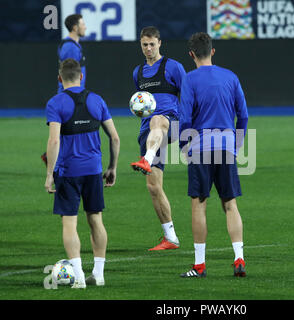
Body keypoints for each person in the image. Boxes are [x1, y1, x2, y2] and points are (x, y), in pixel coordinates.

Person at [44, 58, 120, 288]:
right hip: (93, 170)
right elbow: (115, 138)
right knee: (95, 219)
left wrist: (49, 173)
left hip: (68, 172)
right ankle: (98, 274)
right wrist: (112, 167)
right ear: (81, 76)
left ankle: (78, 277)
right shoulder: (97, 100)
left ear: (59, 78)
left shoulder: (55, 103)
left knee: (70, 223)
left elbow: (54, 139)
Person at [178, 32, 248, 277]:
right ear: (213, 51)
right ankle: (239, 258)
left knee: (199, 204)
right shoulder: (231, 76)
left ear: (191, 55)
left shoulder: (190, 79)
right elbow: (244, 115)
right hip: (227, 146)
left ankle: (200, 265)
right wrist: (236, 145)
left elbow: (185, 118)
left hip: (200, 146)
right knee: (230, 204)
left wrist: (184, 148)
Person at [130, 26, 186, 251]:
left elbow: (188, 95)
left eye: (152, 44)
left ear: (160, 43)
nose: (149, 48)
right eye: (145, 45)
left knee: (157, 120)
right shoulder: (138, 73)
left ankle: (146, 158)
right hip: (149, 132)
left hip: (171, 122)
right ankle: (170, 237)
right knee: (153, 187)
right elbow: (140, 102)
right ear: (141, 45)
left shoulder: (173, 67)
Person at [41, 14, 87, 166]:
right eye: (82, 24)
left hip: (71, 95)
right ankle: (55, 161)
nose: (85, 26)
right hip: (70, 96)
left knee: (68, 133)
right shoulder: (70, 47)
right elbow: (68, 75)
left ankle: (52, 157)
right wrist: (74, 96)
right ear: (75, 27)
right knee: (69, 133)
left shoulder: (73, 45)